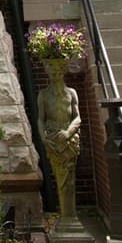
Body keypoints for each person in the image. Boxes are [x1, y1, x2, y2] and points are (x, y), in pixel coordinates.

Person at [37, 59, 81, 220]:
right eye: (53, 72)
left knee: (69, 179)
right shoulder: (43, 95)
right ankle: (66, 216)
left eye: (58, 72)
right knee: (60, 176)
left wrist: (69, 132)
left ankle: (70, 217)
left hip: (69, 138)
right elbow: (40, 119)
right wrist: (43, 138)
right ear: (48, 73)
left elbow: (77, 117)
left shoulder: (71, 93)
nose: (55, 75)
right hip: (53, 138)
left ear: (64, 72)